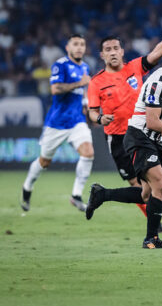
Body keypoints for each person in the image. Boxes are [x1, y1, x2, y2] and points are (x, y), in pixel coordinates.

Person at [90, 35, 162, 249]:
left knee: (147, 194)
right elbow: (152, 122)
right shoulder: (158, 82)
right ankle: (151, 239)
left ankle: (102, 194)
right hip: (139, 137)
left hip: (153, 141)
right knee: (161, 185)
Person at [20, 34, 93, 212]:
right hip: (57, 123)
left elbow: (83, 92)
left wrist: (86, 105)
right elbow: (55, 89)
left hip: (77, 121)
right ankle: (27, 186)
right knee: (44, 161)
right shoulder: (60, 65)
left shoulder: (85, 67)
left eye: (82, 44)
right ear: (68, 47)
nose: (79, 47)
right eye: (75, 44)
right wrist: (78, 83)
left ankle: (76, 196)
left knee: (88, 153)